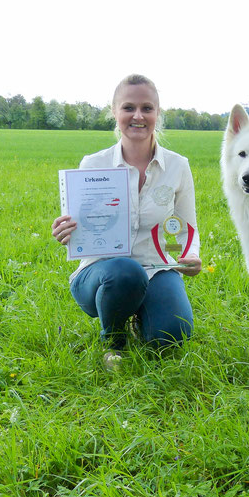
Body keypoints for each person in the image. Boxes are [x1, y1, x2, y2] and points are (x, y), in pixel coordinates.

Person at [51, 74, 201, 363]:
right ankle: (113, 340)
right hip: (102, 273)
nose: (138, 116)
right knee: (125, 273)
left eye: (147, 108)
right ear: (114, 112)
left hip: (156, 268)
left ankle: (142, 313)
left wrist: (190, 256)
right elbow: (81, 223)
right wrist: (66, 230)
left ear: (158, 113)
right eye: (128, 107)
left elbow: (185, 225)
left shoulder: (177, 166)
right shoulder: (93, 164)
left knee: (172, 336)